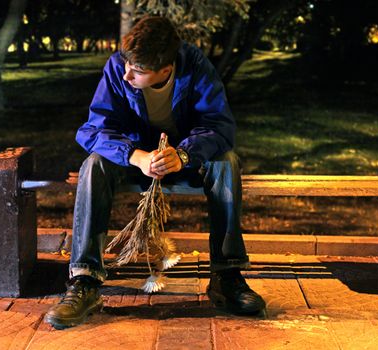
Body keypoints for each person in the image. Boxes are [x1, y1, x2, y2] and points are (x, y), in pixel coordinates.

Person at [44, 16, 265, 329]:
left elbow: (220, 127)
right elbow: (93, 129)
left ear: (165, 69)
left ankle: (227, 277)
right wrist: (134, 155)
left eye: (139, 71)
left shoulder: (194, 66)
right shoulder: (118, 68)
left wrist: (184, 154)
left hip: (183, 160)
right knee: (93, 165)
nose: (127, 74)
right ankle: (85, 282)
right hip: (135, 159)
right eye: (127, 64)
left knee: (226, 161)